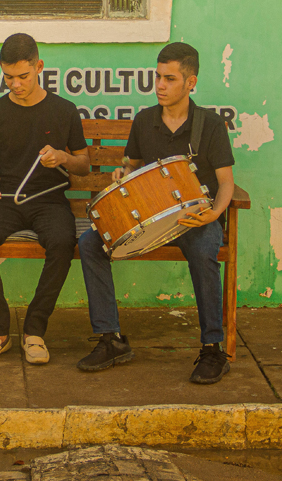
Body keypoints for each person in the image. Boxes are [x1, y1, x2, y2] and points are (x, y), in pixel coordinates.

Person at [76, 42, 236, 384]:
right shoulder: (145, 120)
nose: (160, 85)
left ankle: (212, 349)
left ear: (191, 82)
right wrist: (122, 172)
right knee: (90, 243)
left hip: (195, 219)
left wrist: (214, 214)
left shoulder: (209, 125)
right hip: (150, 215)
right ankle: (111, 339)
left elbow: (226, 183)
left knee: (204, 251)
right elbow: (131, 163)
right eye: (158, 77)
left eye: (170, 79)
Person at [0, 33, 90, 365]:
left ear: (39, 67)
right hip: (7, 199)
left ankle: (34, 330)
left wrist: (63, 158)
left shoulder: (63, 110)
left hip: (49, 201)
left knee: (62, 242)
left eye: (23, 76)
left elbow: (84, 163)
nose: (16, 84)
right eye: (8, 77)